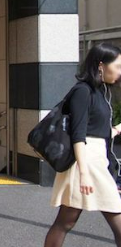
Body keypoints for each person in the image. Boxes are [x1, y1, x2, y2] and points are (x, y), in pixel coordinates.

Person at [45, 43, 121, 247]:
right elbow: (78, 134)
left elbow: (96, 131)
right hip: (85, 163)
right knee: (65, 222)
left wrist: (116, 129)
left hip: (96, 162)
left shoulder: (100, 92)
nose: (119, 72)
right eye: (117, 66)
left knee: (66, 221)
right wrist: (84, 173)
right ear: (101, 65)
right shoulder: (83, 91)